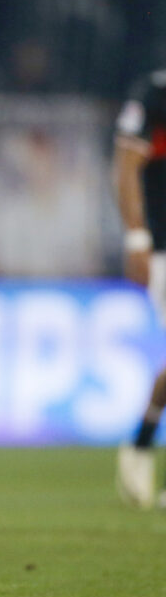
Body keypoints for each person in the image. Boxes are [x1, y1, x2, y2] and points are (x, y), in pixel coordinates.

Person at [113, 67, 166, 510]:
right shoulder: (156, 90)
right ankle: (141, 444)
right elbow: (126, 162)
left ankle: (142, 442)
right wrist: (137, 236)